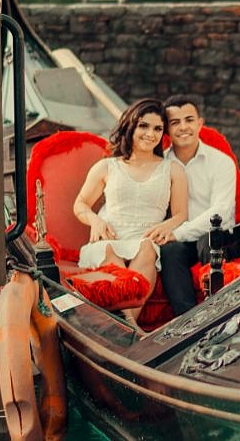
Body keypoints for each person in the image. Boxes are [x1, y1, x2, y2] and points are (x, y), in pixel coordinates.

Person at [73, 98, 188, 327]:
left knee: (147, 250)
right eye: (143, 126)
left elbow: (181, 214)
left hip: (145, 238)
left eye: (157, 129)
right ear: (131, 126)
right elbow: (80, 204)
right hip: (110, 236)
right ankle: (129, 328)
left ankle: (125, 326)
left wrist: (166, 226)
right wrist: (95, 220)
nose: (150, 134)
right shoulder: (107, 166)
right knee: (109, 251)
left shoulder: (173, 169)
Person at [158, 94, 237, 316]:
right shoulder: (161, 164)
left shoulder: (221, 162)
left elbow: (220, 213)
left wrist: (178, 233)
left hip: (219, 235)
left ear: (200, 123)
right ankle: (188, 320)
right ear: (167, 130)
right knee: (169, 250)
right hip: (179, 241)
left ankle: (219, 314)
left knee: (208, 241)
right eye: (175, 122)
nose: (183, 127)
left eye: (189, 120)